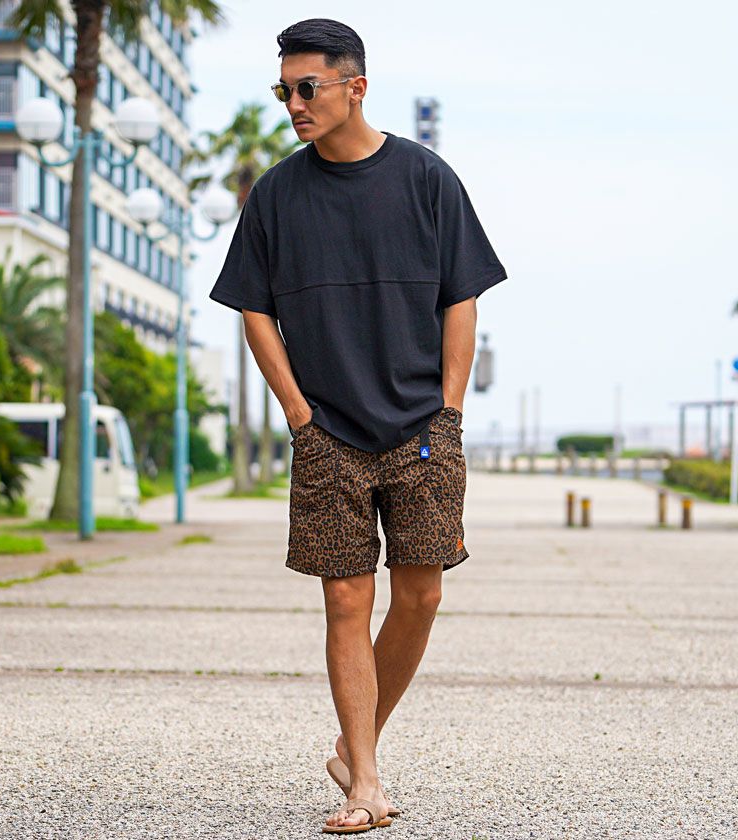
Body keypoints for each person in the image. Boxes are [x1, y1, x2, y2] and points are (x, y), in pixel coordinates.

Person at [209, 18, 507, 834]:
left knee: (422, 594)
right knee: (346, 599)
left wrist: (449, 410)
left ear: (356, 87)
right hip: (328, 435)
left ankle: (352, 744)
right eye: (284, 90)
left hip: (422, 429)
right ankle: (365, 783)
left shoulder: (426, 179)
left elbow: (461, 297)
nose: (293, 104)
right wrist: (298, 415)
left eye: (307, 88)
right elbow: (255, 311)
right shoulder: (276, 194)